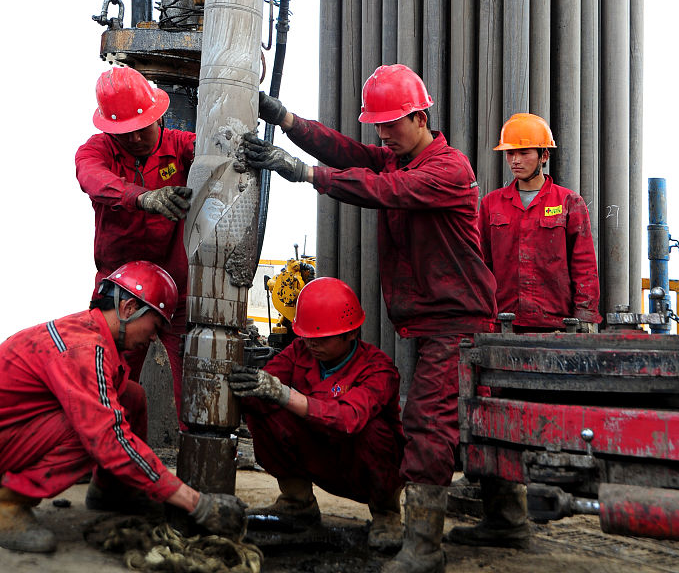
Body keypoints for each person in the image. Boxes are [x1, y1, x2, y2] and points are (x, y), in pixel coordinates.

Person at [235, 64, 497, 573]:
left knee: (427, 424)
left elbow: (383, 191)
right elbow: (349, 153)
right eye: (376, 124)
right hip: (428, 318)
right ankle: (506, 518)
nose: (381, 133)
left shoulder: (447, 170)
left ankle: (423, 547)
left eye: (390, 123)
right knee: (464, 418)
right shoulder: (400, 159)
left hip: (457, 321)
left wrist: (304, 173)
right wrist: (286, 119)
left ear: (420, 117)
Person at [0, 261, 246, 555]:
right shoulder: (84, 349)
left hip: (14, 429)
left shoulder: (91, 334)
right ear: (129, 308)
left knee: (130, 396)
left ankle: (112, 491)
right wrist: (196, 503)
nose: (154, 336)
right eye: (155, 325)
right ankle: (9, 504)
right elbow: (108, 439)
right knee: (96, 431)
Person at [449, 111, 601, 550]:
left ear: (542, 155)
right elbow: (479, 264)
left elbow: (584, 268)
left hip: (553, 332)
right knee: (498, 424)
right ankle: (504, 519)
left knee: (552, 421)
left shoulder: (569, 204)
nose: (514, 159)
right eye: (510, 152)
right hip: (503, 331)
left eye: (523, 151)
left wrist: (586, 320)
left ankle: (555, 502)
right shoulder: (492, 205)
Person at [229, 276, 404, 552]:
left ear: (351, 334)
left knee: (374, 431)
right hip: (317, 452)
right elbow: (267, 384)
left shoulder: (378, 369)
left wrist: (286, 394)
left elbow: (349, 419)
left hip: (359, 464)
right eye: (306, 335)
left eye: (320, 338)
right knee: (260, 403)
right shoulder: (300, 351)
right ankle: (298, 501)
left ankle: (387, 513)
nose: (311, 344)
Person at [76, 66, 195, 417]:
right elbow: (92, 178)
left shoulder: (180, 146)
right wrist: (143, 198)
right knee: (105, 376)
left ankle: (198, 457)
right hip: (120, 290)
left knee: (192, 380)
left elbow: (218, 154)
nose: (134, 139)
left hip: (178, 287)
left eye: (140, 129)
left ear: (157, 115)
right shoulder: (96, 151)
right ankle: (104, 452)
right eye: (123, 133)